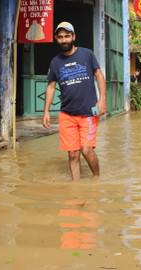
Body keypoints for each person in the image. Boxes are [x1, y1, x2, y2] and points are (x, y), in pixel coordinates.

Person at [42, 22, 106, 181]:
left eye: (67, 36)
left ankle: (96, 179)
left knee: (86, 149)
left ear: (73, 37)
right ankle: (76, 188)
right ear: (56, 39)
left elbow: (99, 75)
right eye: (60, 37)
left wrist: (102, 99)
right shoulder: (55, 62)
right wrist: (46, 111)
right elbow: (51, 87)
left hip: (89, 113)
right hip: (67, 115)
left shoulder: (87, 54)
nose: (64, 40)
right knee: (72, 154)